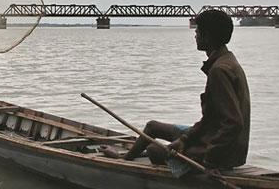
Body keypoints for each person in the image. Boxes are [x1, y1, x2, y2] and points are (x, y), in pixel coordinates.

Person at [103, 9, 251, 176]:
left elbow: (233, 123)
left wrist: (211, 160)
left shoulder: (219, 71)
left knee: (153, 150)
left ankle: (125, 161)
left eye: (197, 31)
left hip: (221, 154)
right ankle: (124, 159)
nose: (195, 35)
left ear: (207, 36)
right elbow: (210, 119)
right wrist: (184, 140)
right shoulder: (228, 61)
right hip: (215, 139)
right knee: (152, 127)